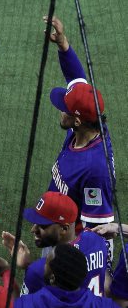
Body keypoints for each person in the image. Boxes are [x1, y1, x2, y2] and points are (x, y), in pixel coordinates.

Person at [43, 16, 115, 229]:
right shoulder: (87, 124)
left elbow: (96, 230)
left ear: (76, 120)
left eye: (63, 109)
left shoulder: (95, 170)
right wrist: (63, 44)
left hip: (67, 240)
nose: (59, 110)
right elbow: (76, 78)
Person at [0, 191, 108, 296]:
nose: (33, 229)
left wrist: (5, 271)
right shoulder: (97, 241)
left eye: (43, 225)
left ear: (64, 228)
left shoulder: (38, 271)